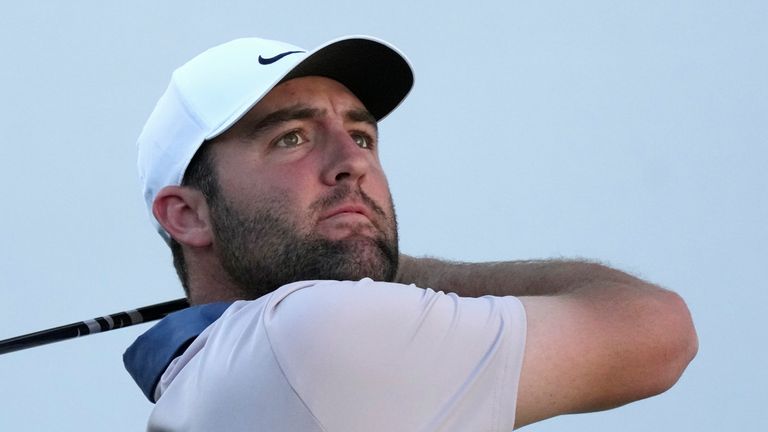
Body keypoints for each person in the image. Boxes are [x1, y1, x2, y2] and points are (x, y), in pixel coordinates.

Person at [124, 35, 698, 431]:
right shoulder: (308, 333)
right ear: (188, 216)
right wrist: (396, 268)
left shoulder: (200, 386)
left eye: (363, 136)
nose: (352, 161)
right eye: (290, 138)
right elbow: (658, 329)